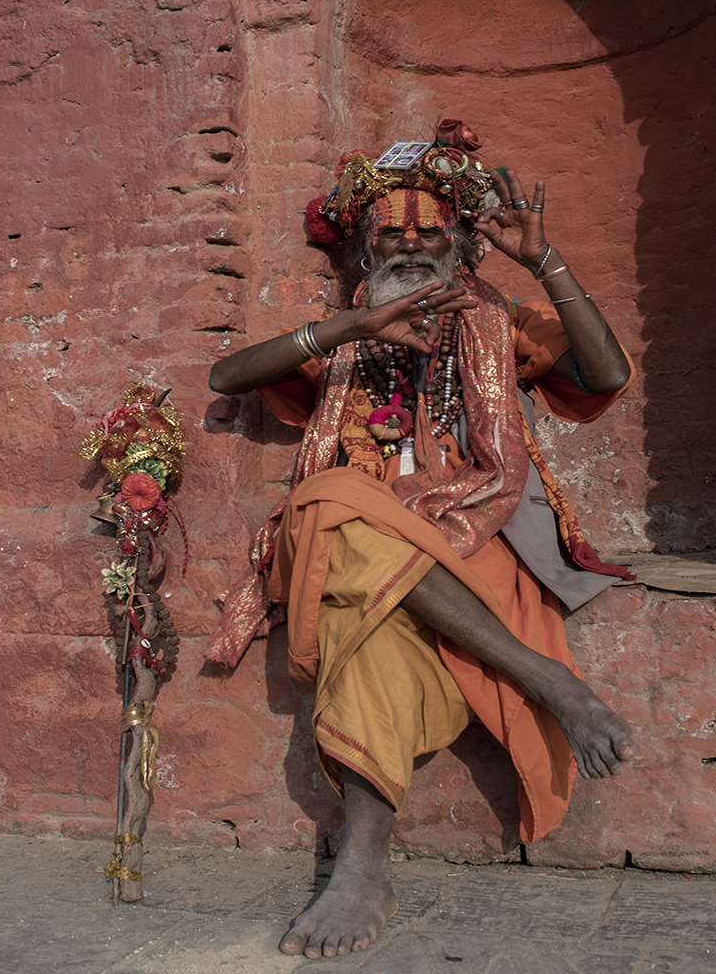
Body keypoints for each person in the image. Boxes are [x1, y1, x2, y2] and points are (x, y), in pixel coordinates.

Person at [205, 127, 640, 959]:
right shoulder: (345, 337)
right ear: (364, 251)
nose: (409, 246)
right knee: (331, 502)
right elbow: (228, 377)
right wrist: (349, 327)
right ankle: (541, 680)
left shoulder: (499, 321)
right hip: (350, 534)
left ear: (461, 246)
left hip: (471, 541)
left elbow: (608, 374)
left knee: (357, 609)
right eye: (390, 237)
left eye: (429, 234)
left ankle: (363, 866)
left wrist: (543, 261)